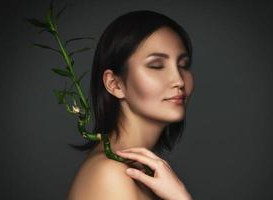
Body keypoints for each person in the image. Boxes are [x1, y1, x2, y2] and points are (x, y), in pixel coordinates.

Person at [67, 10, 195, 200]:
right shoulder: (111, 175)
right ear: (115, 84)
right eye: (156, 66)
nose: (179, 80)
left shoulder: (144, 172)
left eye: (183, 65)